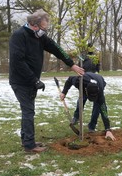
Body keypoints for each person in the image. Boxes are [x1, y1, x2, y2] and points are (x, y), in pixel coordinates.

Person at [9, 9, 84, 153]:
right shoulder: (19, 36)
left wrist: (71, 64)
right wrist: (34, 80)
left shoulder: (40, 37)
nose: (44, 31)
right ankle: (29, 146)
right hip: (20, 81)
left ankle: (27, 140)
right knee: (28, 111)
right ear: (33, 24)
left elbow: (56, 48)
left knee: (28, 111)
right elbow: (18, 62)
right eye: (43, 28)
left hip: (31, 81)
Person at [60, 72, 116, 141]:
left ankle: (92, 126)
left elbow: (104, 110)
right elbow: (70, 79)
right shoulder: (78, 81)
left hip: (100, 80)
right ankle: (76, 117)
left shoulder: (100, 91)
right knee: (81, 100)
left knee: (98, 106)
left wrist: (108, 129)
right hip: (85, 82)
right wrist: (64, 92)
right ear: (86, 91)